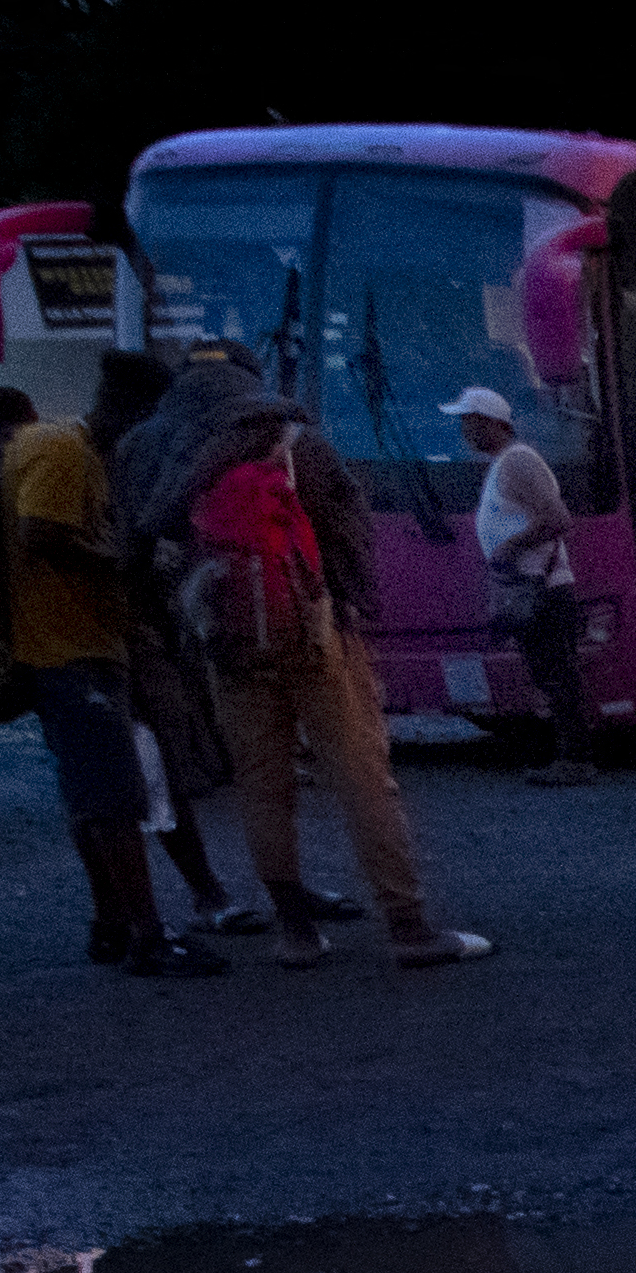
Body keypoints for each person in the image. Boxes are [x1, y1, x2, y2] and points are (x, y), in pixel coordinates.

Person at [133, 350, 495, 972]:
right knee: (362, 778)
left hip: (229, 646)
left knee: (262, 786)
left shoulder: (158, 448)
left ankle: (297, 934)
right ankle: (408, 928)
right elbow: (346, 525)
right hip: (315, 630)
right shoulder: (289, 437)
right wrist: (352, 603)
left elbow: (142, 544)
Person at [0, 374, 225, 981]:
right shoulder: (62, 451)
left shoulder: (69, 453)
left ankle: (112, 923)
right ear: (133, 417)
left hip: (79, 648)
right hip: (71, 652)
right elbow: (39, 535)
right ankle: (148, 937)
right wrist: (119, 563)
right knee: (116, 802)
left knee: (96, 799)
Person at [456, 387, 592, 788]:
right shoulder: (504, 464)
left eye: (471, 421)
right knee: (550, 674)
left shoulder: (518, 462)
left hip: (545, 591)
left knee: (558, 675)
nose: (465, 430)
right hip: (533, 591)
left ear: (494, 424)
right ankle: (563, 755)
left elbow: (558, 519)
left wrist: (508, 549)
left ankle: (575, 760)